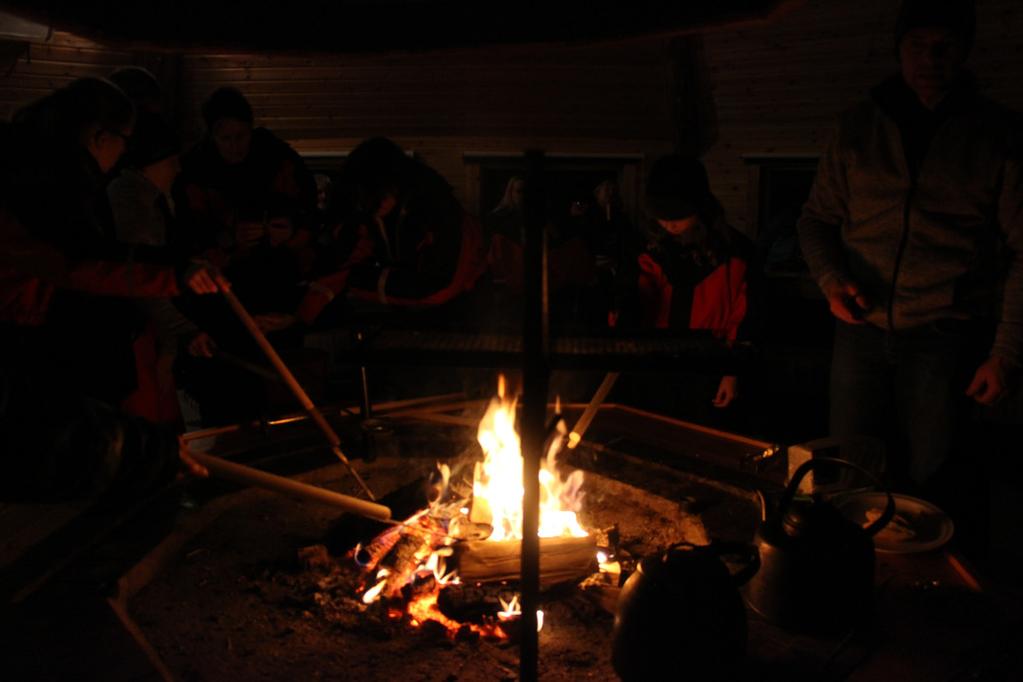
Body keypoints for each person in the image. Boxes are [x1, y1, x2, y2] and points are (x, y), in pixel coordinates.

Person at [797, 0, 1022, 544]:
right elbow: (815, 220)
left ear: (965, 52)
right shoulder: (856, 128)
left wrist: (1006, 352)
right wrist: (831, 282)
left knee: (935, 479)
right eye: (918, 46)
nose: (931, 59)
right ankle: (848, 573)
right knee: (851, 468)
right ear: (899, 49)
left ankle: (932, 597)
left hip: (944, 336)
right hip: (860, 330)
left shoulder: (998, 136)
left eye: (944, 47)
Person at [0, 78, 218, 500]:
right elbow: (76, 260)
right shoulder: (40, 183)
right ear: (99, 135)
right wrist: (174, 272)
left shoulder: (35, 167)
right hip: (22, 336)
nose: (122, 156)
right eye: (124, 141)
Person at [616, 155, 758, 425]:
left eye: (678, 215)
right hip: (655, 365)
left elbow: (746, 315)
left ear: (700, 208)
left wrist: (732, 371)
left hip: (709, 367)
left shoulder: (735, 254)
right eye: (662, 216)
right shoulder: (646, 251)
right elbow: (632, 297)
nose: (669, 224)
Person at [298, 137, 486, 325]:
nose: (367, 203)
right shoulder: (371, 212)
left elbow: (439, 285)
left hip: (460, 312)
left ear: (395, 182)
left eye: (373, 192)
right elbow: (347, 260)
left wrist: (359, 280)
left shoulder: (438, 212)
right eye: (362, 194)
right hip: (406, 313)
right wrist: (301, 314)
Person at [107, 111, 216, 424]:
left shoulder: (151, 200)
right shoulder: (133, 204)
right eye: (171, 161)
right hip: (136, 338)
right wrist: (182, 331)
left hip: (151, 334)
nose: (178, 169)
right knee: (150, 424)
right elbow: (143, 279)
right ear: (149, 162)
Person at [174, 86, 317, 258]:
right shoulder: (195, 169)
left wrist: (291, 228)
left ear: (251, 130)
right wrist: (227, 238)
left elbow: (308, 201)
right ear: (212, 137)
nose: (235, 147)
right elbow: (188, 228)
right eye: (226, 139)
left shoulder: (274, 155)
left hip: (279, 256)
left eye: (241, 136)